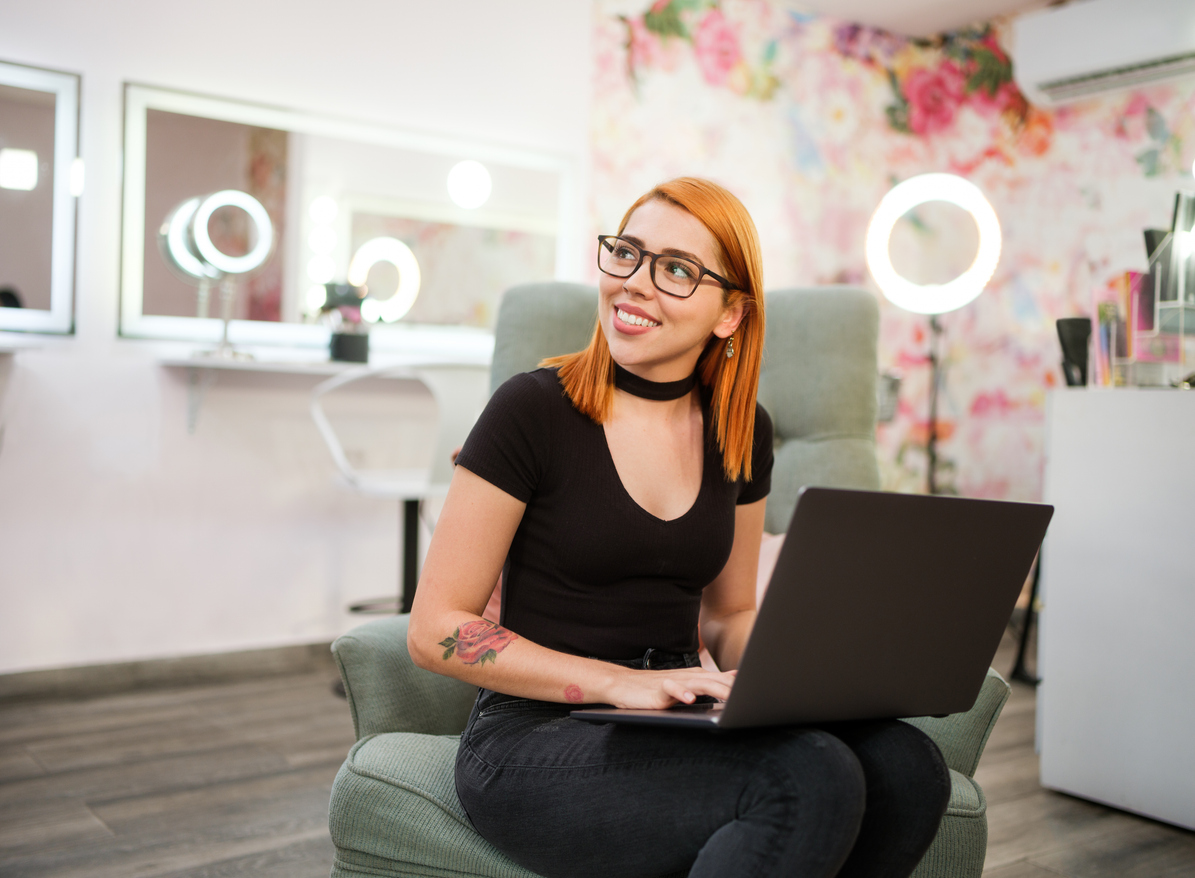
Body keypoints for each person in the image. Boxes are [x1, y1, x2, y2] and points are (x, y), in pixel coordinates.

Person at [408, 177, 949, 878]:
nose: (633, 284)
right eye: (626, 254)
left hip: (674, 710)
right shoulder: (531, 410)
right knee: (803, 779)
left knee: (909, 767)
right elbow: (435, 629)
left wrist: (803, 676)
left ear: (730, 313)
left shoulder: (741, 432)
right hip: (530, 735)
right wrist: (616, 683)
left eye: (675, 270)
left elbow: (729, 616)